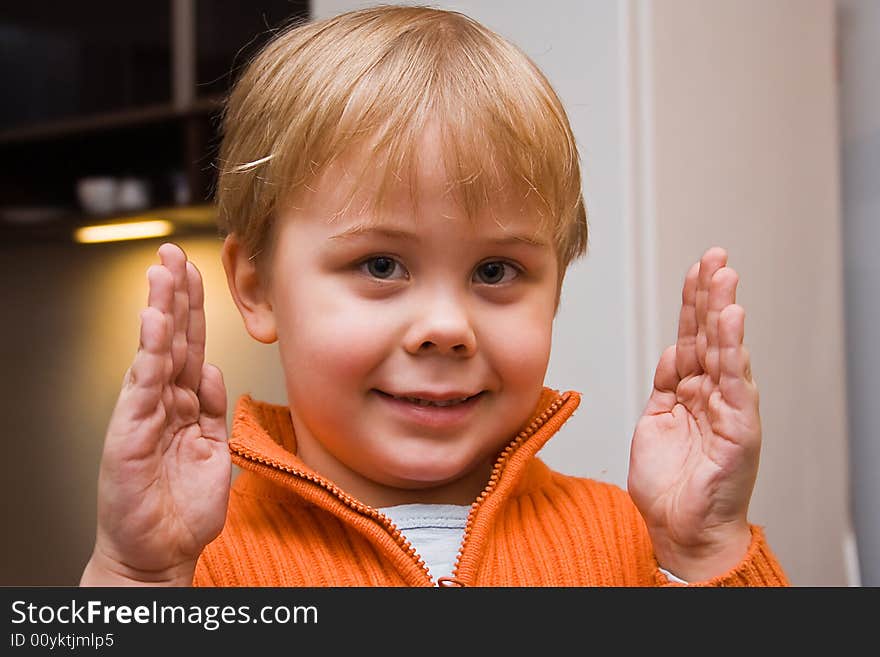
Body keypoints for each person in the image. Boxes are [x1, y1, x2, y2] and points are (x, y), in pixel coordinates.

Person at [79, 5, 788, 587]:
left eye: (495, 272)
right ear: (257, 287)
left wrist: (705, 550)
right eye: (382, 264)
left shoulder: (635, 545)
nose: (447, 327)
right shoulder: (196, 563)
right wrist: (136, 577)